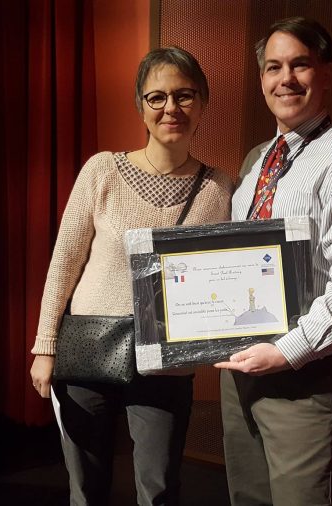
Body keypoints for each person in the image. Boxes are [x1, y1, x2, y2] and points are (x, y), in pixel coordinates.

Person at [29, 47, 232, 505]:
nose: (170, 108)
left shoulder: (220, 187)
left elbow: (220, 278)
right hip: (88, 348)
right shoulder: (102, 170)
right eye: (156, 97)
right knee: (87, 487)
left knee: (159, 489)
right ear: (139, 106)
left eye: (184, 95)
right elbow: (64, 262)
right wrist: (45, 347)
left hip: (165, 362)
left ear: (202, 103)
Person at [214, 17, 332, 506]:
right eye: (273, 67)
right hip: (240, 368)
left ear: (325, 73)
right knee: (246, 497)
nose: (284, 78)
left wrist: (287, 351)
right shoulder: (253, 163)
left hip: (302, 372)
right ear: (262, 79)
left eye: (300, 64)